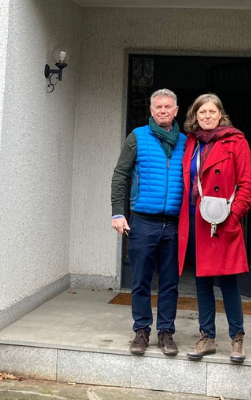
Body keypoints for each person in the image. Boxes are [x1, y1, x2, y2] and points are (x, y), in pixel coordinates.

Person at [178, 94, 251, 362]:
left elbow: (246, 185)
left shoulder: (236, 141)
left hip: (222, 222)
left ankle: (237, 338)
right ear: (195, 116)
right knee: (202, 283)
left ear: (220, 114)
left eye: (212, 111)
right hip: (196, 221)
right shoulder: (191, 143)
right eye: (202, 112)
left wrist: (232, 217)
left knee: (228, 283)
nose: (207, 116)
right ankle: (207, 337)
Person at [110, 89, 185, 356]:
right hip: (142, 221)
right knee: (141, 280)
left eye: (168, 106)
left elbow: (205, 171)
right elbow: (120, 175)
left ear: (176, 111)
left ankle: (166, 332)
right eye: (158, 107)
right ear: (151, 111)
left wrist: (241, 174)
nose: (163, 110)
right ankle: (141, 330)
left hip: (173, 224)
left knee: (170, 282)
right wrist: (118, 212)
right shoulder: (138, 137)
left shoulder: (186, 142)